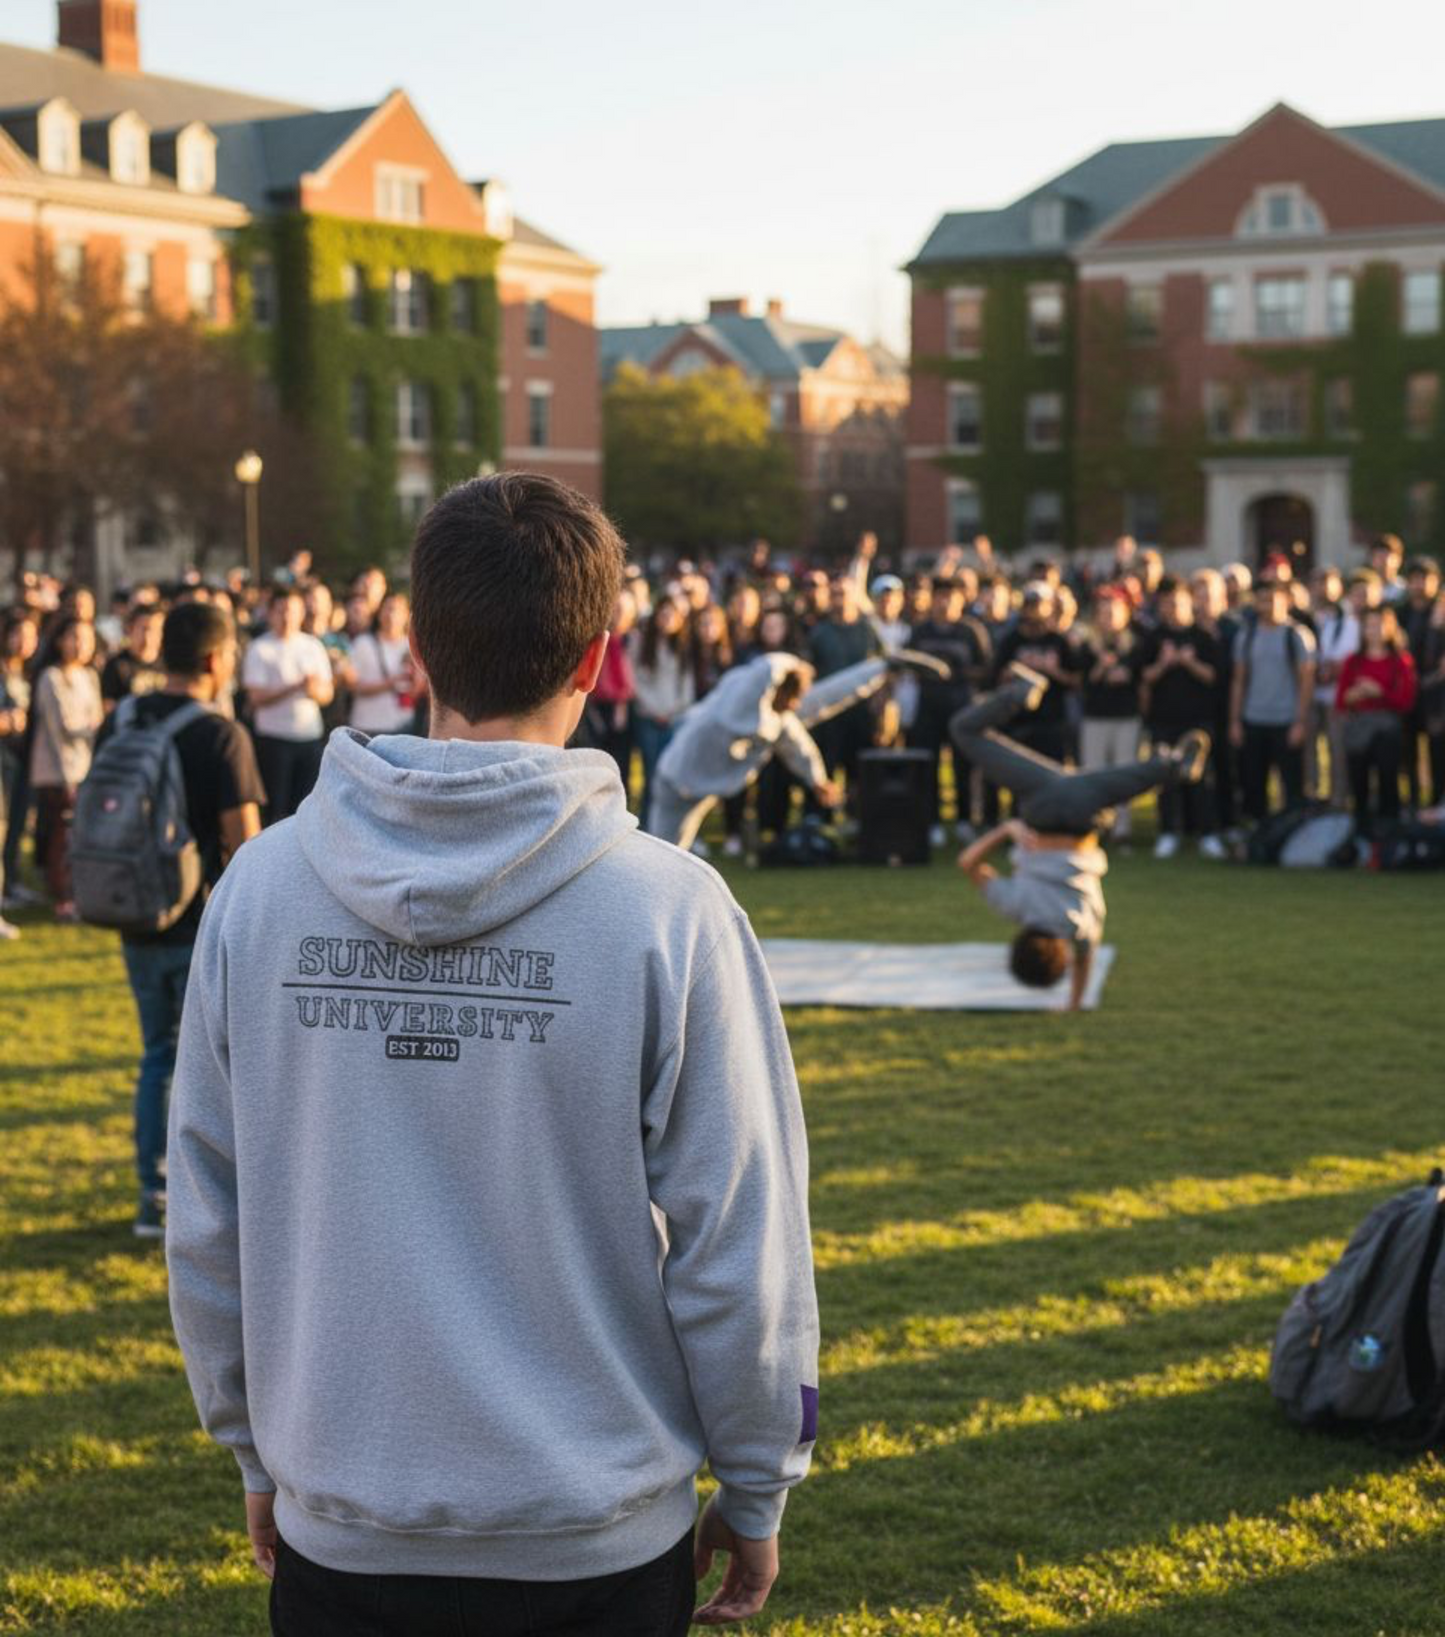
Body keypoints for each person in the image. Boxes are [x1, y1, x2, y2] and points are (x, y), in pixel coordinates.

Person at [167, 472, 819, 1634]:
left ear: (414, 646)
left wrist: (251, 1439)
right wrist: (758, 1474)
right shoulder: (665, 909)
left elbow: (205, 1210)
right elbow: (742, 1237)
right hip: (585, 1525)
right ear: (590, 662)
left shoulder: (261, 889)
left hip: (359, 1509)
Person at [95, 603, 264, 1237]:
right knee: (212, 1071)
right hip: (199, 923)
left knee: (156, 1055)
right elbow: (248, 850)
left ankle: (151, 1194)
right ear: (217, 661)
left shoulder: (125, 716)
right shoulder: (222, 735)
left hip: (133, 909)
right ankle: (202, 1204)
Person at [952, 666, 1209, 1011]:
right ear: (1018, 944)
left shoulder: (1081, 926)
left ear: (1064, 956)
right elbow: (968, 863)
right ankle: (1021, 691)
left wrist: (1074, 1003)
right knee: (963, 731)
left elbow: (1086, 962)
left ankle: (1172, 767)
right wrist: (1006, 830)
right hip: (1041, 804)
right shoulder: (1014, 907)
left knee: (1112, 787)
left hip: (1083, 817)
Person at [646, 649, 948, 852]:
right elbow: (767, 667)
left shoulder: (777, 716)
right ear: (779, 690)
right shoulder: (742, 697)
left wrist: (817, 781)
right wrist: (793, 666)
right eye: (793, 698)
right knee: (665, 851)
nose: (795, 706)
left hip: (707, 785)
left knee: (823, 701)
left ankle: (883, 666)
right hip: (678, 785)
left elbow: (804, 741)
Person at [1137, 580, 1224, 859]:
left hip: (1198, 720)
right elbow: (1144, 677)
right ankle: (1168, 832)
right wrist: (1165, 663)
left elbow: (1214, 677)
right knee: (1166, 780)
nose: (1172, 609)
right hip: (1163, 720)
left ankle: (1207, 834)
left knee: (1201, 780)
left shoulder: (1203, 636)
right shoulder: (1154, 637)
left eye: (1177, 602)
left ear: (1189, 603)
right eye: (1166, 603)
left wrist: (1188, 662)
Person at [29, 616, 103, 920]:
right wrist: (67, 778)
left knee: (79, 835)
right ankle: (61, 897)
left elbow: (96, 721)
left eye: (86, 638)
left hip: (86, 765)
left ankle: (75, 892)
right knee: (60, 836)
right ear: (60, 641)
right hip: (57, 771)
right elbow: (60, 730)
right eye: (74, 637)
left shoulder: (90, 676)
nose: (80, 645)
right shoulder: (50, 678)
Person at [241, 585, 334, 823]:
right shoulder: (260, 648)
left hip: (309, 738)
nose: (287, 616)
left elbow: (327, 694)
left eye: (293, 610)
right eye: (281, 610)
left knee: (308, 808)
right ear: (270, 613)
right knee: (277, 812)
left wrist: (313, 690)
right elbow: (256, 698)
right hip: (274, 740)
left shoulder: (312, 646)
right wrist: (294, 686)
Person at [1230, 577, 1317, 822]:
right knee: (1253, 783)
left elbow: (1306, 682)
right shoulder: (1246, 636)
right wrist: (1235, 720)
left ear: (1285, 601)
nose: (1266, 605)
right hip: (1253, 719)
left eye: (1272, 599)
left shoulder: (1297, 636)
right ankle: (1258, 831)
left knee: (1292, 786)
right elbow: (1239, 681)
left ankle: (1291, 829)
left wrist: (1300, 721)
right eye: (1261, 600)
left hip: (1286, 720)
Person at [1335, 605, 1417, 838]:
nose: (1374, 630)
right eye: (1369, 625)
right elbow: (1341, 700)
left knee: (1387, 780)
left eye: (1380, 624)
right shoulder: (1353, 661)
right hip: (1358, 729)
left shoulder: (1400, 660)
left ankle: (1388, 832)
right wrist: (1355, 695)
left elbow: (1405, 701)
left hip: (1387, 730)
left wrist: (1378, 692)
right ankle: (1361, 832)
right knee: (1359, 784)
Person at [1077, 588, 1143, 845]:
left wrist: (1124, 675)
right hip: (1095, 717)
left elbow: (1139, 677)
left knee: (1123, 774)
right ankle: (1096, 825)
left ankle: (1121, 830)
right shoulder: (1087, 646)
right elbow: (1083, 682)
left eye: (1114, 612)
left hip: (1126, 717)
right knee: (1093, 773)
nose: (1109, 617)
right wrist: (1101, 667)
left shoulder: (1134, 644)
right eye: (1103, 613)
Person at [631, 595, 696, 825]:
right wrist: (655, 710)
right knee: (651, 774)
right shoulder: (641, 644)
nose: (668, 618)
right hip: (648, 718)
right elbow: (636, 681)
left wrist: (673, 711)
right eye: (663, 613)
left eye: (673, 614)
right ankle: (647, 824)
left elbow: (687, 686)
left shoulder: (683, 647)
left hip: (674, 720)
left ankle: (668, 825)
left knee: (670, 776)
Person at [346, 592, 420, 737]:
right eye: (388, 608)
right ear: (379, 613)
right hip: (367, 727)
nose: (392, 615)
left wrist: (414, 678)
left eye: (397, 610)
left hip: (403, 727)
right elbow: (352, 686)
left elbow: (417, 691)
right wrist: (391, 683)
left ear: (407, 616)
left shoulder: (411, 646)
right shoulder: (363, 643)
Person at [100, 604, 166, 712]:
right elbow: (109, 708)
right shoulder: (116, 665)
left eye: (156, 630)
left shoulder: (169, 665)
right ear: (130, 629)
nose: (148, 636)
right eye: (144, 629)